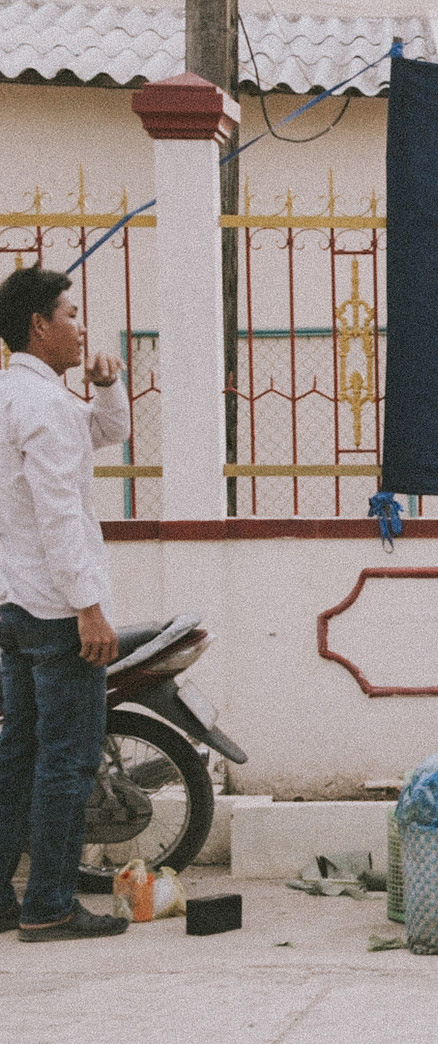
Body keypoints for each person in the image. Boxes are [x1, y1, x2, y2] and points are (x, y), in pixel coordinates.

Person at [0, 265, 130, 942]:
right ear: (38, 327)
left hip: (15, 605)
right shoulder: (42, 404)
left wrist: (107, 389)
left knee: (19, 753)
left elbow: (102, 435)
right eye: (71, 314)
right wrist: (88, 605)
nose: (81, 327)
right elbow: (58, 514)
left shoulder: (22, 395)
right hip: (54, 610)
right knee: (67, 760)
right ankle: (49, 902)